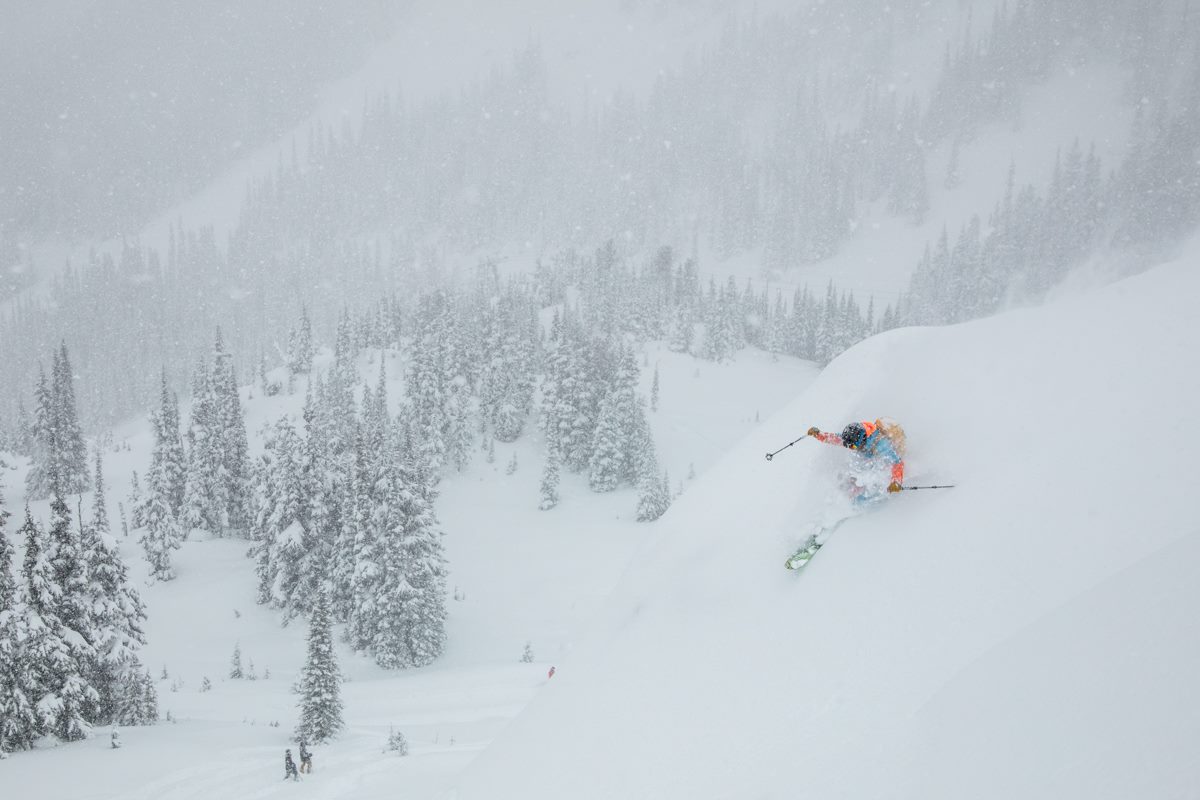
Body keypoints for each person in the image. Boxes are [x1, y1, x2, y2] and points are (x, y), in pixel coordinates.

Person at [807, 421, 905, 496]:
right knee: (854, 470)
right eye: (848, 446)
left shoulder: (881, 445)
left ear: (862, 440)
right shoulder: (853, 438)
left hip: (881, 460)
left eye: (853, 447)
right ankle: (852, 490)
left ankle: (862, 494)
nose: (851, 448)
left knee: (870, 474)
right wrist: (819, 434)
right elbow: (835, 439)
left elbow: (897, 463)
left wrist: (895, 482)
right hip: (869, 457)